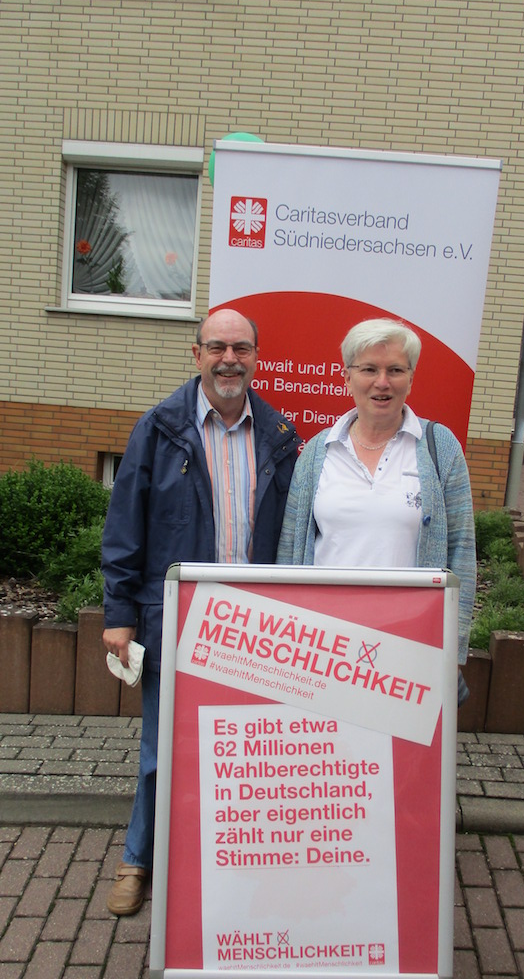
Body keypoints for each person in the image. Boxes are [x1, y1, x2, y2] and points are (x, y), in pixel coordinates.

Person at [101, 309, 299, 916]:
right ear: (197, 355)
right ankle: (137, 860)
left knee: (247, 751)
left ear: (257, 356)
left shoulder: (280, 435)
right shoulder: (159, 429)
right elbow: (125, 526)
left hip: (256, 626)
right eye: (217, 348)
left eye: (241, 348)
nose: (229, 360)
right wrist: (119, 613)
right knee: (163, 749)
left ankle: (230, 862)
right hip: (178, 618)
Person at [277, 317, 475, 683]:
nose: (382, 382)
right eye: (369, 369)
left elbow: (461, 550)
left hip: (408, 643)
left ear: (411, 379)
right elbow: (290, 550)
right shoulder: (318, 450)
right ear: (347, 377)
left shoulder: (439, 447)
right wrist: (287, 631)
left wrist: (453, 648)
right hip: (322, 643)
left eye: (395, 370)